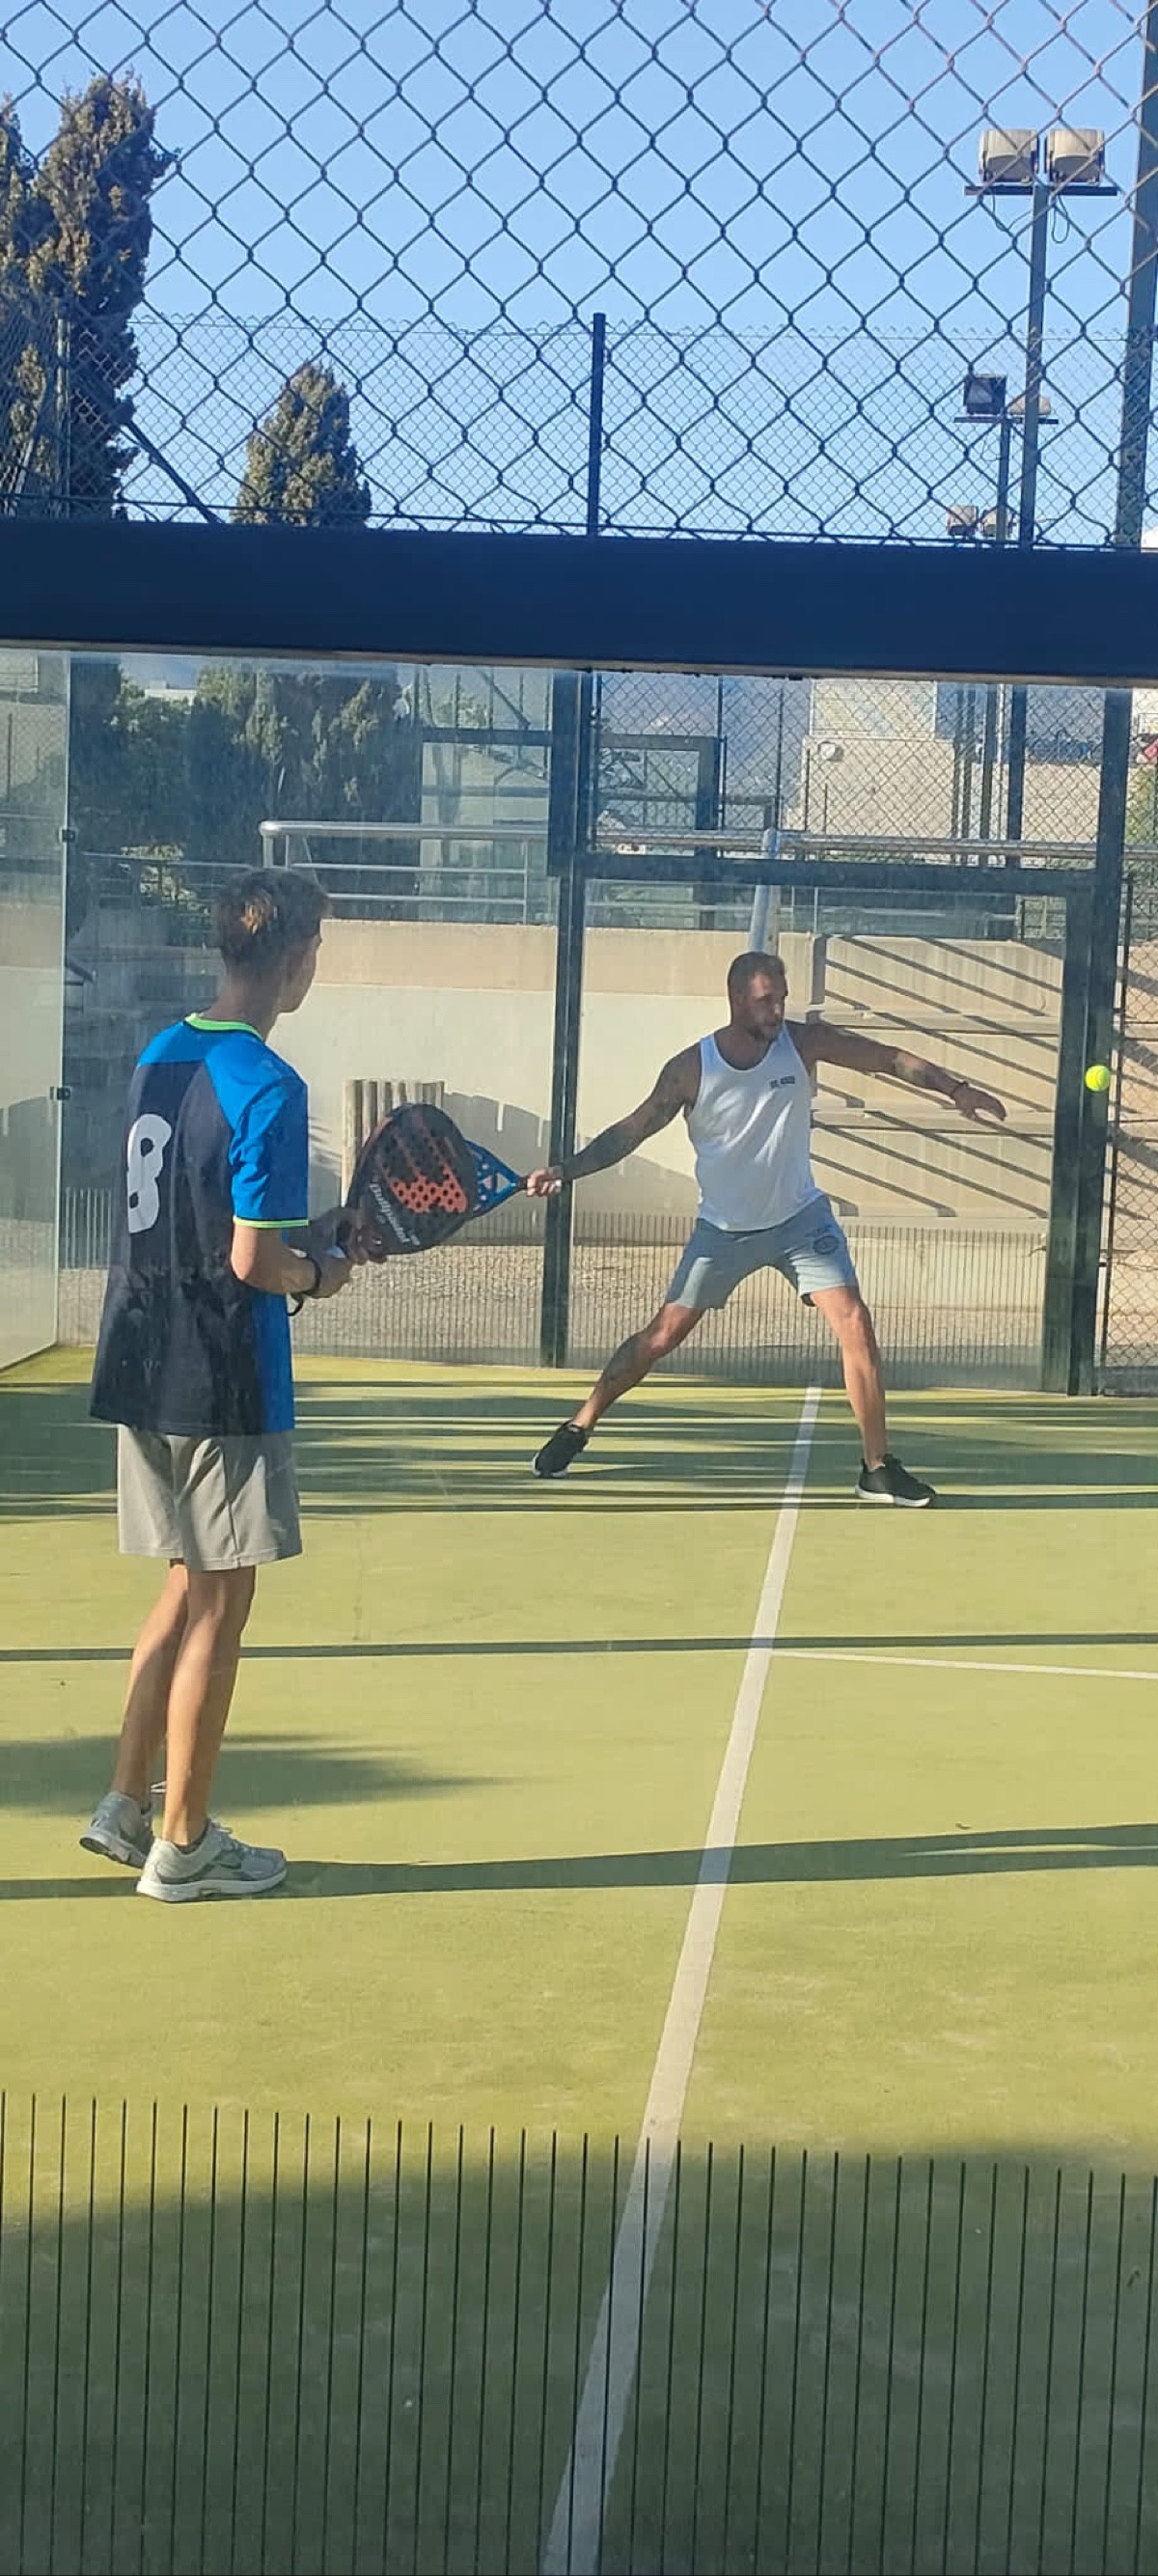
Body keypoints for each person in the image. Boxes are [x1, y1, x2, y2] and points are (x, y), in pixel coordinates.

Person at [82, 870, 357, 1900]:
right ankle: (185, 1843)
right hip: (222, 1378)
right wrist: (321, 1273)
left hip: (140, 1355)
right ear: (295, 959)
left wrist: (307, 1242)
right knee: (222, 1604)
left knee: (181, 1585)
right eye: (317, 947)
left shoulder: (161, 1052)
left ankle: (125, 1804)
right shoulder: (271, 1084)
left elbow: (193, 1214)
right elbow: (253, 1262)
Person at [526, 949, 1006, 1506]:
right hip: (724, 1231)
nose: (777, 1010)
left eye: (782, 999)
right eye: (765, 1001)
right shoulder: (690, 1070)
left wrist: (956, 1089)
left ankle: (877, 1468)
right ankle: (580, 1424)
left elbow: (886, 1059)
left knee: (855, 1321)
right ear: (736, 999)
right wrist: (565, 1170)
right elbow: (630, 1132)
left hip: (801, 1221)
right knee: (660, 1338)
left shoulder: (802, 1044)